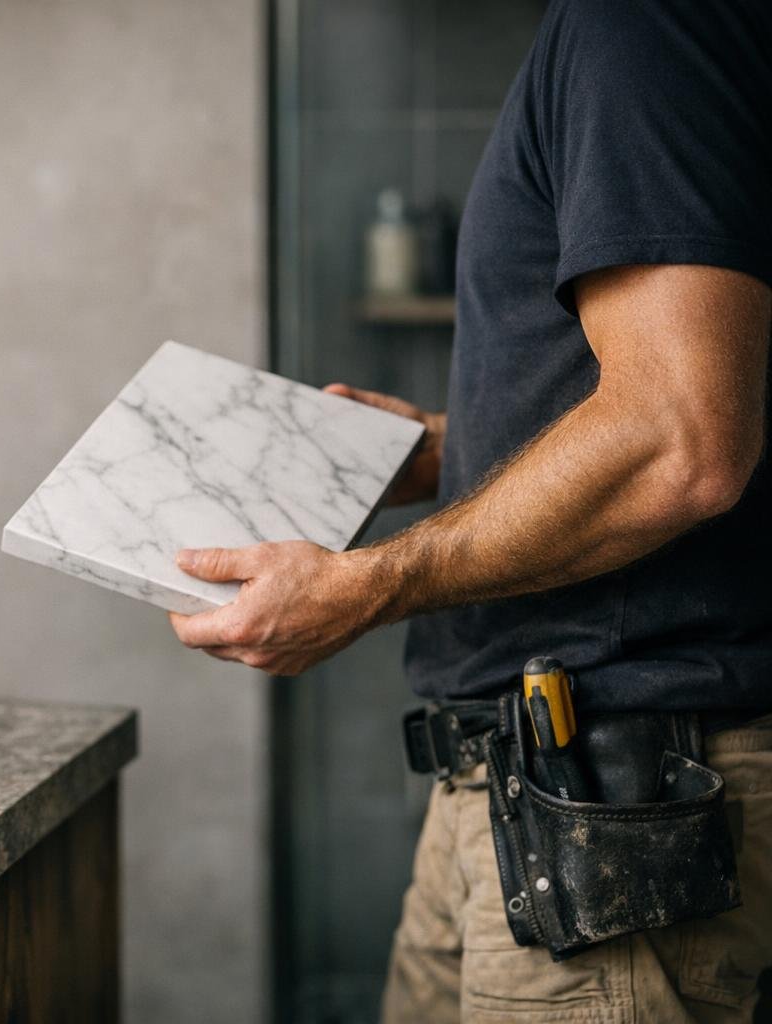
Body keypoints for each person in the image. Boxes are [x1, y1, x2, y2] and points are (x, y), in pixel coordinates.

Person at [167, 1, 772, 1021]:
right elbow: (673, 394)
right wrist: (451, 449)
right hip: (527, 792)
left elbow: (682, 441)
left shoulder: (643, 26)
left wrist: (370, 581)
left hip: (617, 806)